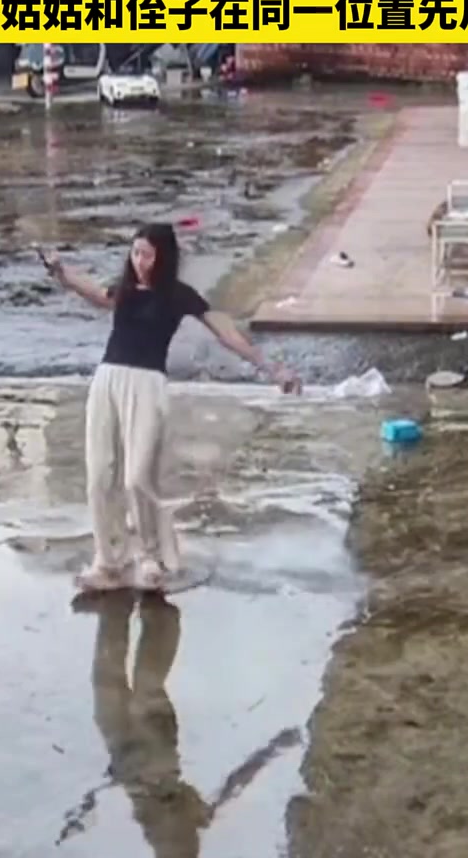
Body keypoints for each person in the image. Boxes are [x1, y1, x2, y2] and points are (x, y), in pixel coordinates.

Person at [41, 222, 302, 592]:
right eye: (135, 253)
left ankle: (151, 557)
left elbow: (225, 331)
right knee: (101, 475)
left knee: (137, 477)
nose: (139, 261)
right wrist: (63, 273)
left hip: (147, 386)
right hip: (108, 380)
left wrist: (271, 368)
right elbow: (98, 294)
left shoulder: (179, 296)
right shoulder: (127, 290)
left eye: (147, 254)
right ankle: (108, 561)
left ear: (163, 257)